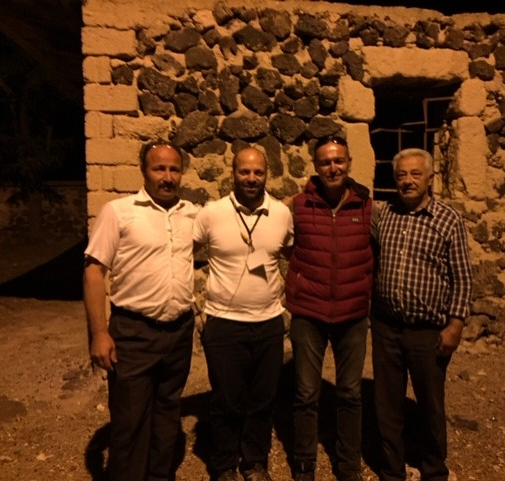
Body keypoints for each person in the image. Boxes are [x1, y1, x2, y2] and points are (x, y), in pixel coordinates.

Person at [83, 141, 198, 481]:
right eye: (159, 168)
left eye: (174, 169)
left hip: (179, 332)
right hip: (133, 333)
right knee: (130, 421)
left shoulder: (191, 213)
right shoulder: (119, 212)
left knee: (167, 416)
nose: (167, 177)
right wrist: (99, 333)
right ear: (144, 171)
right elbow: (94, 271)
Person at [370, 148, 473, 481]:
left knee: (430, 404)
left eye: (416, 174)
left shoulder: (448, 220)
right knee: (387, 405)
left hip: (427, 331)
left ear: (430, 177)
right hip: (386, 326)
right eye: (401, 175)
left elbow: (462, 276)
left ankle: (433, 470)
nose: (408, 181)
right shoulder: (385, 215)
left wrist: (455, 324)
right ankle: (392, 471)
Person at [193, 147, 294, 481]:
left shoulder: (281, 214)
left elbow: (291, 254)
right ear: (233, 172)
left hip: (268, 323)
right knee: (226, 399)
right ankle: (224, 464)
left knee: (263, 399)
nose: (251, 178)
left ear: (267, 175)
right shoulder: (211, 214)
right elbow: (181, 254)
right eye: (244, 171)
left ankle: (254, 461)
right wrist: (194, 305)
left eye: (258, 172)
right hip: (223, 323)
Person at [285, 136, 373, 481]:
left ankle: (348, 466)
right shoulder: (298, 206)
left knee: (350, 393)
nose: (333, 168)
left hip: (352, 315)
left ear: (349, 162)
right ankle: (304, 464)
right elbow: (283, 247)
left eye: (339, 161)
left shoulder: (367, 207)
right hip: (309, 314)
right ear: (316, 166)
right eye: (325, 162)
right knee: (306, 393)